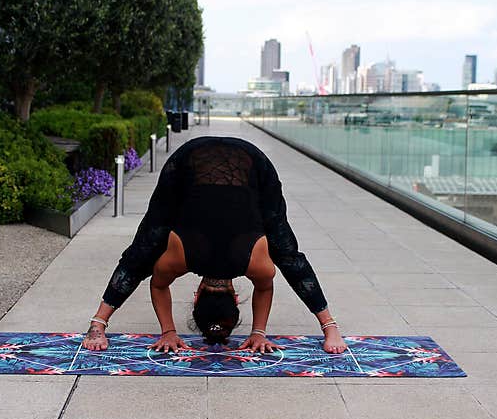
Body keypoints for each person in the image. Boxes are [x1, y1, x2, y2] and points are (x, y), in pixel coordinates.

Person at [81, 135, 346, 355]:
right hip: (207, 160)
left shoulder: (256, 265)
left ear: (234, 297)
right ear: (196, 296)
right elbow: (157, 283)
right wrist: (170, 331)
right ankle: (98, 323)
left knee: (146, 248)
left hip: (235, 162)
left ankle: (98, 324)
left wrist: (258, 332)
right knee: (286, 254)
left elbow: (268, 285)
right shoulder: (181, 257)